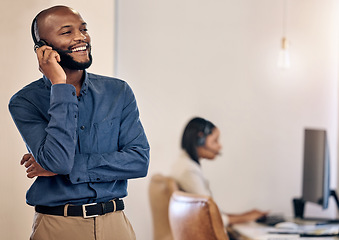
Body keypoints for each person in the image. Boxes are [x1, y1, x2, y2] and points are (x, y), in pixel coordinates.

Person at [8, 5, 149, 240]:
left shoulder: (118, 91)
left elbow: (139, 161)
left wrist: (66, 167)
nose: (81, 37)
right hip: (58, 226)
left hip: (116, 225)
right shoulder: (24, 102)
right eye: (67, 32)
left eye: (83, 29)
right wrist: (60, 87)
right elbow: (59, 162)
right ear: (42, 48)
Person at [170, 117, 267, 226]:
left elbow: (210, 211)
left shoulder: (183, 164)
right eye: (215, 141)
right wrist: (246, 217)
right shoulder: (188, 170)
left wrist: (242, 216)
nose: (220, 146)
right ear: (200, 139)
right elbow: (210, 217)